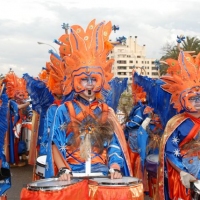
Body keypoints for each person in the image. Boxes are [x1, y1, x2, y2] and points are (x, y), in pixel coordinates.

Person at [48, 19, 133, 181]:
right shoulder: (63, 110)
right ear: (75, 81)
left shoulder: (106, 111)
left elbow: (113, 143)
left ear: (101, 80)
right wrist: (63, 169)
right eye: (84, 79)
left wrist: (114, 166)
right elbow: (56, 142)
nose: (89, 84)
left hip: (100, 173)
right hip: (71, 174)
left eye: (93, 79)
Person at [155, 37, 200, 200]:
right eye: (194, 98)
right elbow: (170, 150)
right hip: (186, 176)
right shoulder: (177, 123)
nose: (198, 102)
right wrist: (182, 171)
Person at [4, 71, 31, 167]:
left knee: (18, 142)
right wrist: (28, 103)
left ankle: (18, 158)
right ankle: (14, 161)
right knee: (14, 144)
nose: (22, 97)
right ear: (14, 94)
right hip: (12, 127)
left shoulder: (19, 102)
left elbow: (26, 113)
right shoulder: (12, 102)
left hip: (18, 125)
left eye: (23, 95)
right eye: (20, 95)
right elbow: (17, 108)